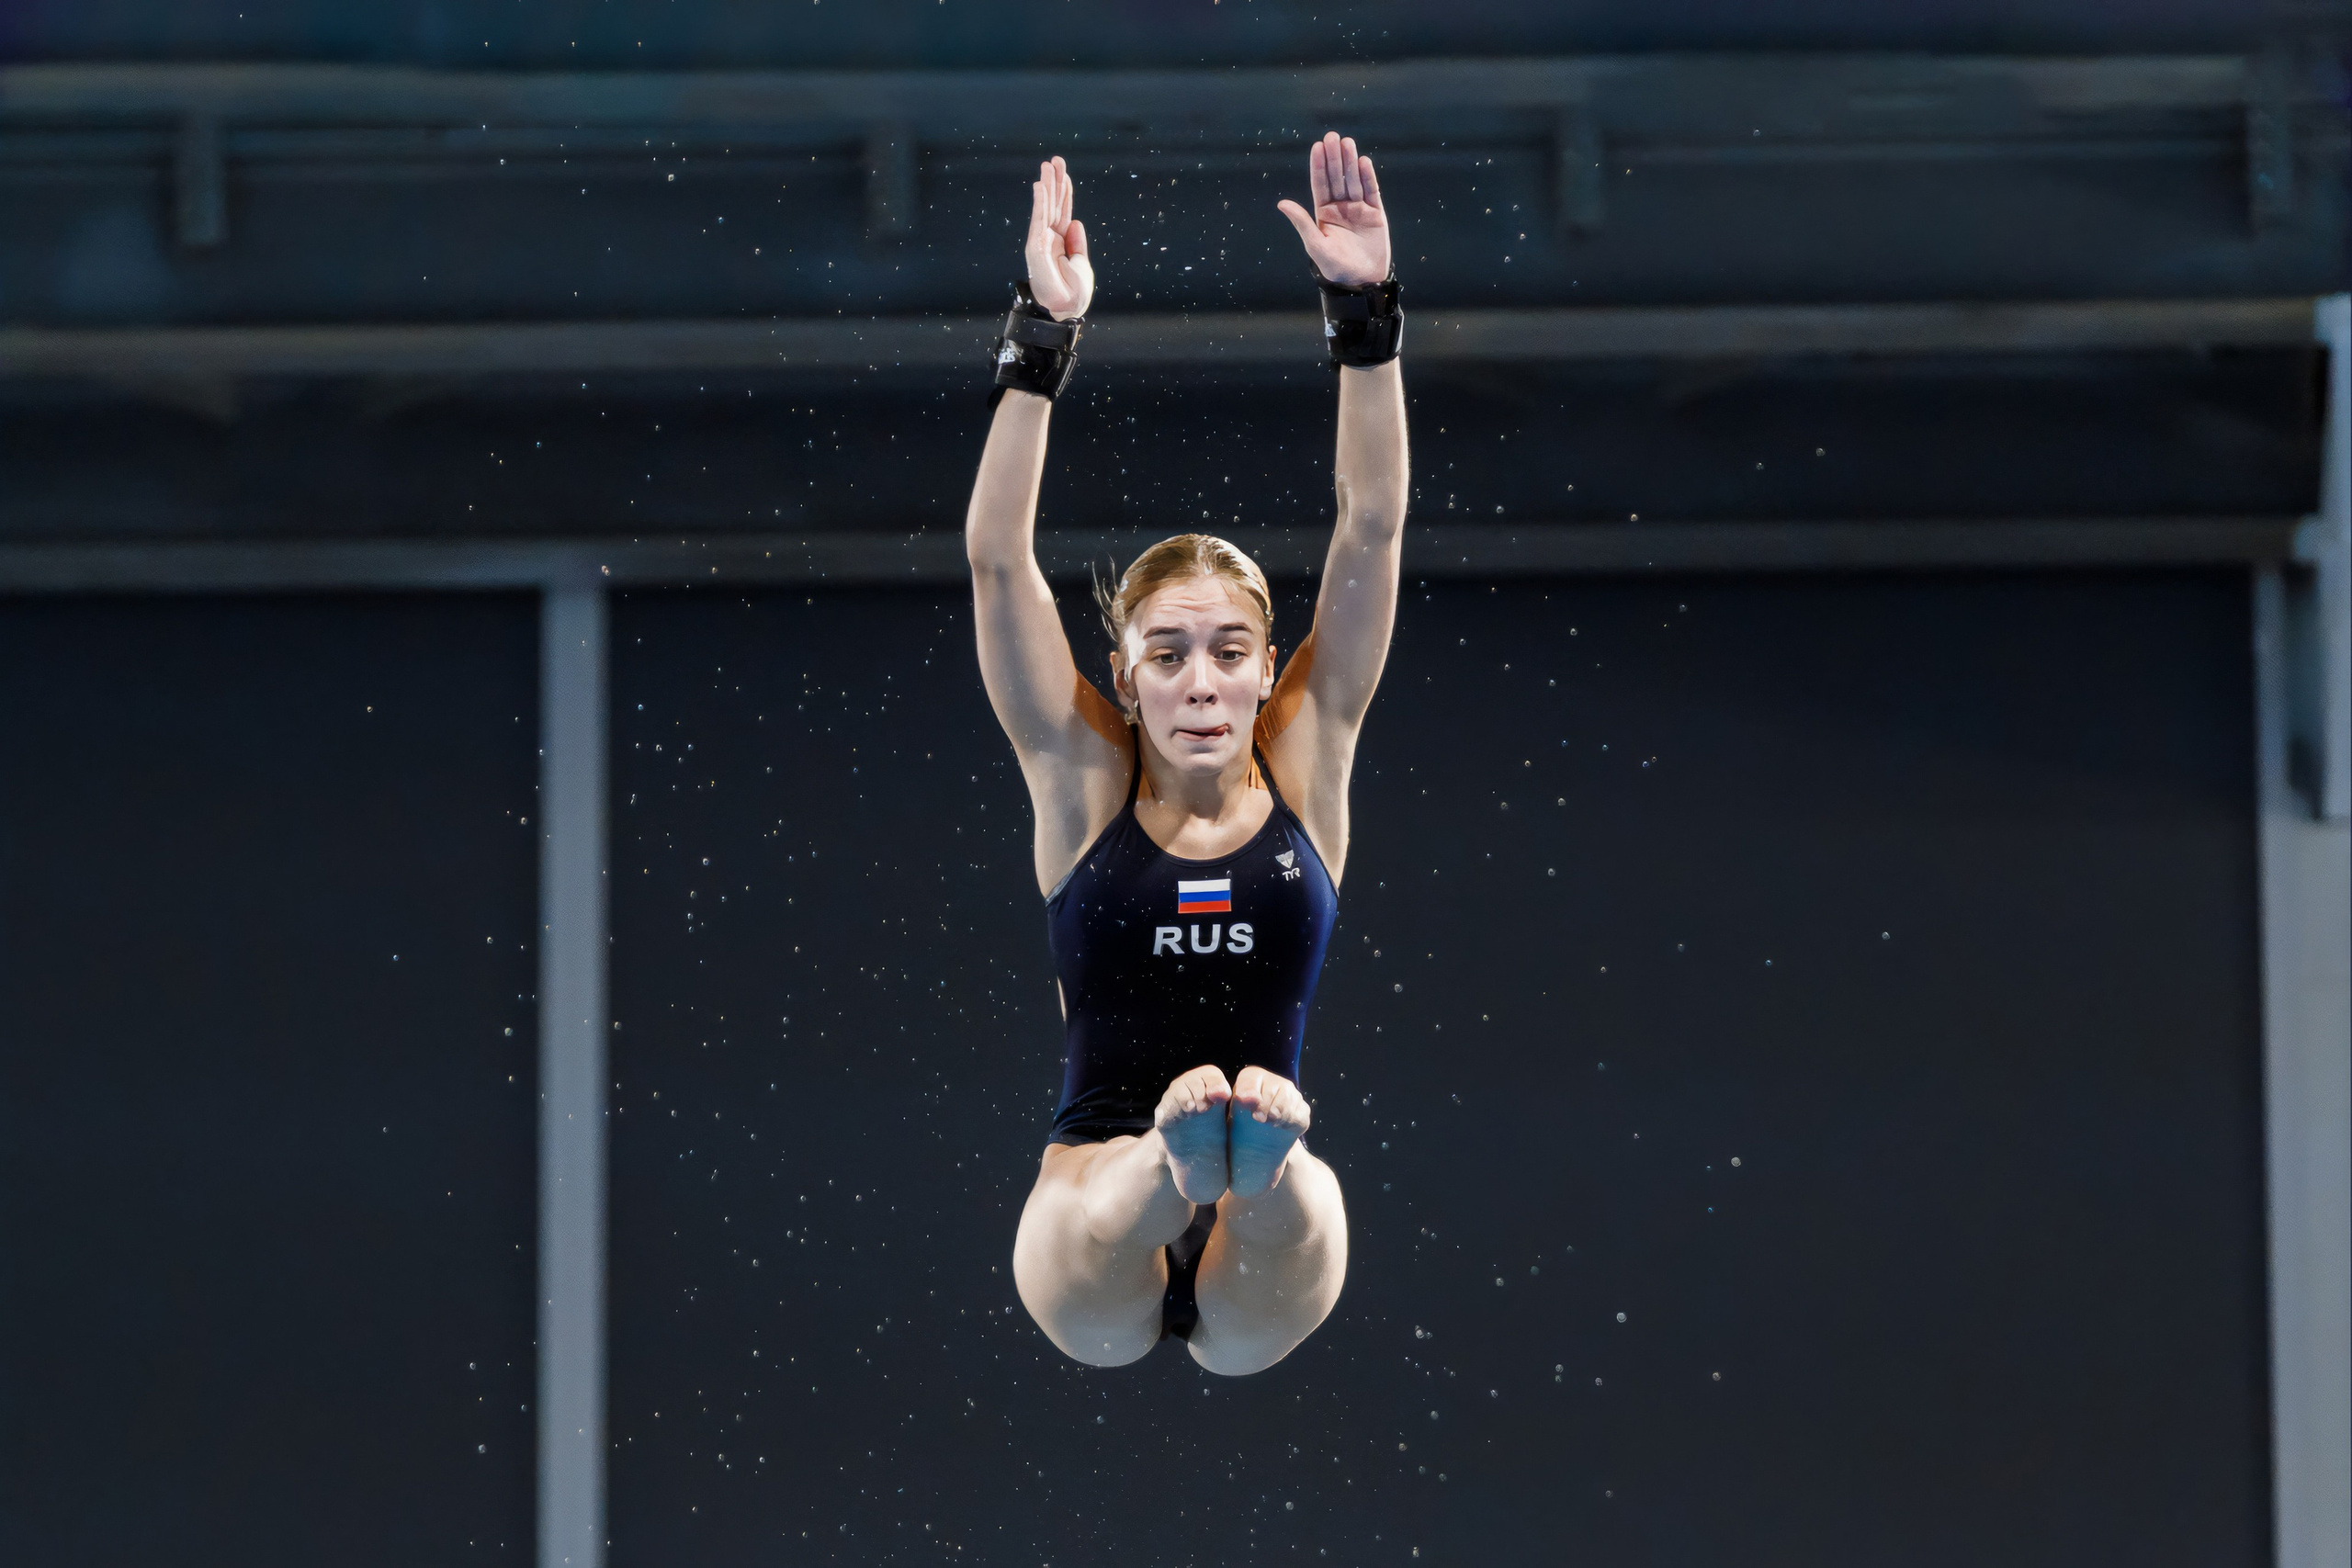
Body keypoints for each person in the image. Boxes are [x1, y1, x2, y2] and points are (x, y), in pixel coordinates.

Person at [965, 133, 1408, 1375]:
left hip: (1260, 1215)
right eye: (1167, 655)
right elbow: (1000, 562)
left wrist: (1364, 316)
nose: (1201, 682)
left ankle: (1240, 1168)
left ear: (1274, 670)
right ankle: (1183, 1159)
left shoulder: (1310, 761)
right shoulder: (1080, 778)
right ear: (1126, 678)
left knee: (1307, 1200)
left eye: (1228, 652)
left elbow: (1370, 521)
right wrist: (1039, 343)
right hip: (1092, 1190)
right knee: (1117, 1202)